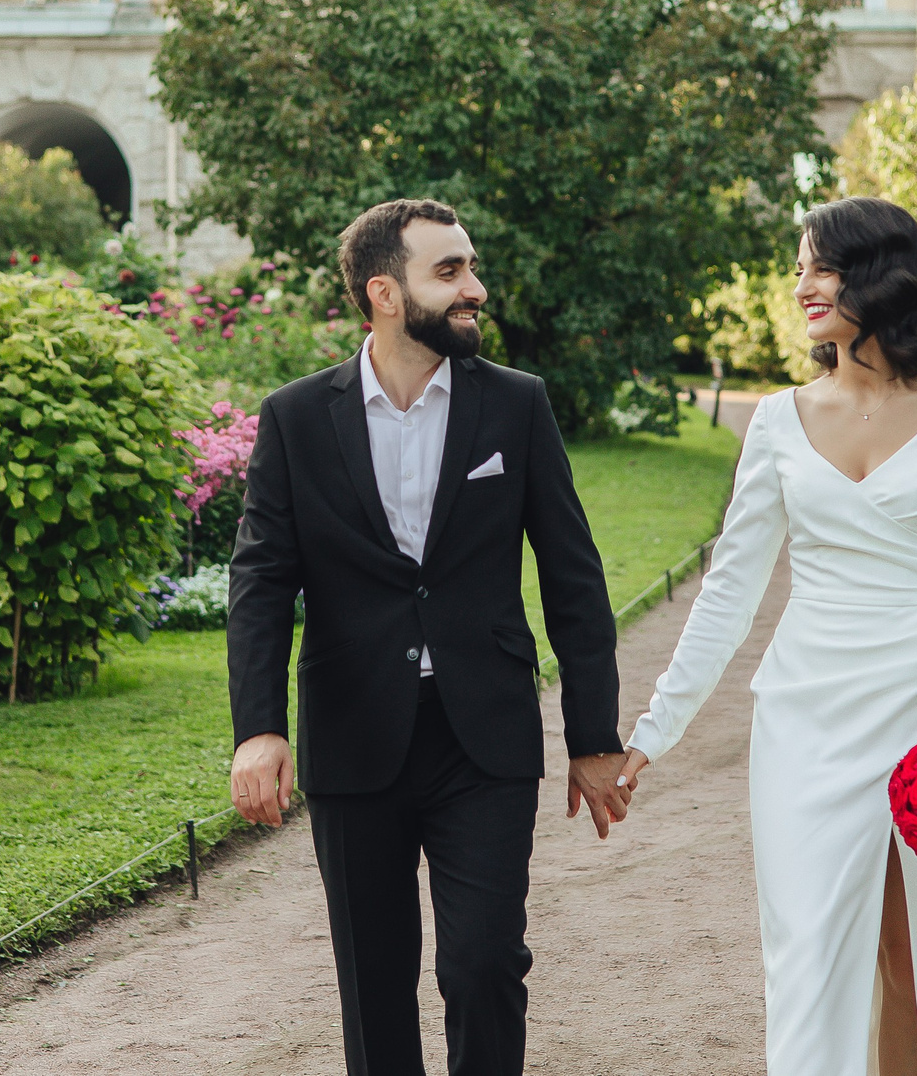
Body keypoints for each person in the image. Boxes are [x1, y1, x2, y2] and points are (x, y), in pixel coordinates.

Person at [226, 198, 632, 1076]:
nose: (473, 288)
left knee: (483, 963)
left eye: (470, 267)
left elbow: (573, 577)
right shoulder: (297, 417)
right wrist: (259, 727)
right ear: (384, 291)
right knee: (373, 985)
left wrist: (594, 739)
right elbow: (261, 581)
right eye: (449, 271)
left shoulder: (516, 405)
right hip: (354, 734)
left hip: (481, 738)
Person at [618, 196, 917, 1076]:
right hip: (804, 720)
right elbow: (730, 589)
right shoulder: (776, 419)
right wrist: (655, 729)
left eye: (819, 266)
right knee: (807, 961)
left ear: (880, 272)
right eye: (799, 266)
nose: (801, 285)